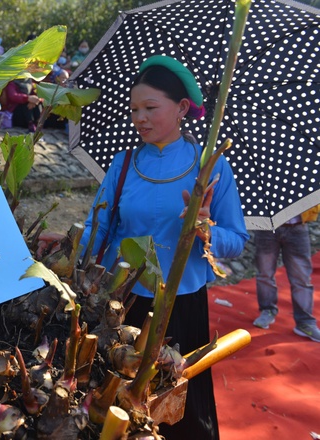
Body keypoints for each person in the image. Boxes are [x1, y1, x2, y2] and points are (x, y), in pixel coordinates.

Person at [80, 55, 248, 440]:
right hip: (122, 305)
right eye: (134, 109)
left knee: (177, 408)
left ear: (182, 109)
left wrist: (206, 229)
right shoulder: (122, 165)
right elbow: (97, 228)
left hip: (183, 306)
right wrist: (71, 248)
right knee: (118, 404)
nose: (139, 118)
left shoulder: (211, 167)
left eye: (150, 108)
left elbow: (236, 241)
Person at [253, 206, 320, 342]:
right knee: (264, 273)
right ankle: (267, 310)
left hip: (297, 226)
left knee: (301, 278)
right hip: (266, 226)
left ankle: (305, 321)